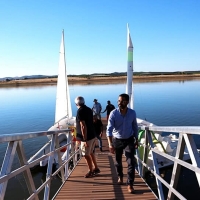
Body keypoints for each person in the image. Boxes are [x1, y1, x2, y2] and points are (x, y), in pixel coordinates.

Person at [106, 93, 138, 194]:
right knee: (117, 162)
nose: (120, 103)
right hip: (117, 140)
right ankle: (120, 176)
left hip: (129, 139)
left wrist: (136, 139)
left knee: (131, 162)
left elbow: (135, 127)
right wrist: (110, 144)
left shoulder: (132, 113)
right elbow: (109, 130)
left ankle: (130, 184)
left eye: (123, 101)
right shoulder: (113, 113)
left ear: (127, 102)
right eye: (119, 101)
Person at [75, 96, 100, 178]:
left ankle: (91, 171)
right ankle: (96, 168)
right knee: (91, 152)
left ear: (77, 104)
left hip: (87, 137)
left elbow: (83, 126)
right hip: (92, 135)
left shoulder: (80, 111)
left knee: (86, 155)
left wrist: (84, 139)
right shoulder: (89, 109)